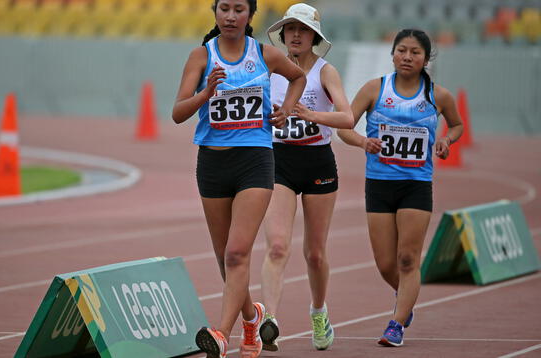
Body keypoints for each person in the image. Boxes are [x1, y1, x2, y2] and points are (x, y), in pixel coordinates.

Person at [171, 0, 306, 357]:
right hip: (213, 165)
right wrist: (205, 93)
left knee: (236, 253)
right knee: (225, 259)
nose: (230, 17)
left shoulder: (265, 54)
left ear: (250, 16)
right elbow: (177, 113)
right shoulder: (201, 57)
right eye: (224, 9)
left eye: (238, 10)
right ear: (215, 13)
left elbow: (299, 77)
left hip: (255, 161)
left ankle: (221, 334)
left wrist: (288, 109)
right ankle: (252, 317)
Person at [337, 29, 463, 347]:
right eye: (402, 50)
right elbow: (344, 127)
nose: (407, 57)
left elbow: (458, 123)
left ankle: (397, 323)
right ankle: (405, 296)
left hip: (416, 186)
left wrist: (447, 139)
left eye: (415, 52)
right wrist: (364, 141)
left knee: (408, 259)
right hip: (379, 184)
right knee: (385, 263)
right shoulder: (374, 89)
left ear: (426, 59)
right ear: (392, 54)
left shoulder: (438, 95)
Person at [257, 3, 354, 352]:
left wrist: (311, 114)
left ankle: (318, 312)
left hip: (317, 163)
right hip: (278, 160)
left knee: (314, 253)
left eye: (303, 30)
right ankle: (269, 319)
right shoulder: (268, 69)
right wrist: (271, 119)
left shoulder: (326, 72)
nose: (295, 35)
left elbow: (348, 118)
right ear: (282, 34)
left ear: (314, 36)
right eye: (290, 29)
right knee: (278, 245)